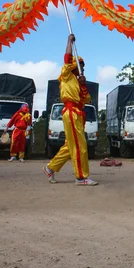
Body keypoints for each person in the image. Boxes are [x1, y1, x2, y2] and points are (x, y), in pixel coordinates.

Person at [43, 34, 97, 186]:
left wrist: (84, 85)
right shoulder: (66, 76)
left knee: (70, 146)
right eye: (80, 65)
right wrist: (69, 42)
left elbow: (86, 100)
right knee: (80, 146)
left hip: (78, 114)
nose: (82, 68)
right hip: (71, 113)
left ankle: (50, 168)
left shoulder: (79, 82)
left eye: (83, 65)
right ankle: (81, 177)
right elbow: (67, 58)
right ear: (74, 66)